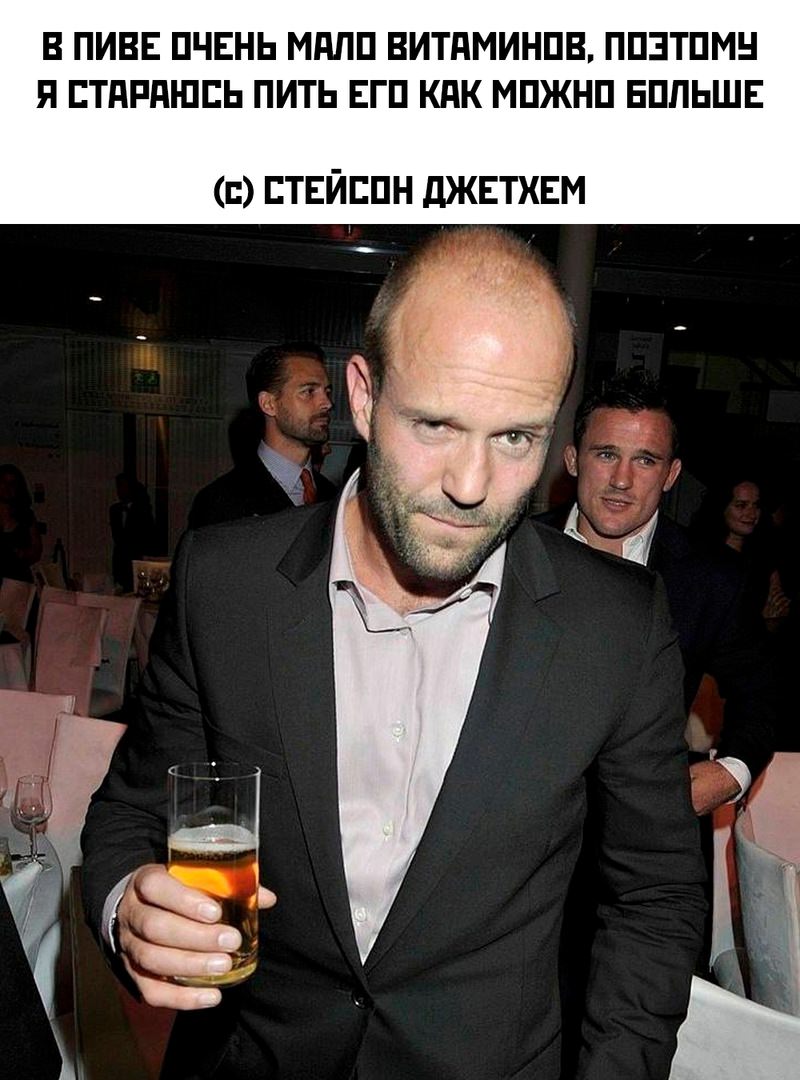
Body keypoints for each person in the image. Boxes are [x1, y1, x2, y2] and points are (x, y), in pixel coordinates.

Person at [82, 229, 705, 1080]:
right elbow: (132, 808)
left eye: (516, 438)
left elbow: (655, 897)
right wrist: (128, 907)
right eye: (436, 424)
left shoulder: (617, 625)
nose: (470, 485)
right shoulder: (225, 584)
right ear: (365, 396)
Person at [551, 369, 776, 815]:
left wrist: (731, 771)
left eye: (646, 460)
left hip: (641, 825)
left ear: (671, 474)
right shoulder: (516, 552)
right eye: (606, 454)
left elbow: (763, 690)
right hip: (514, 826)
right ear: (573, 459)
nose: (621, 479)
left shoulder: (711, 578)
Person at [187, 343, 337, 528]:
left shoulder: (334, 498)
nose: (327, 403)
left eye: (327, 392)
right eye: (308, 392)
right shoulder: (220, 502)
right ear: (268, 404)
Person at [110, 473, 158, 592]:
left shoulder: (142, 510)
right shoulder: (114, 510)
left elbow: (148, 537)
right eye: (119, 486)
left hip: (137, 562)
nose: (121, 490)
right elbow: (117, 538)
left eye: (124, 486)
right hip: (120, 562)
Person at [0, 463, 42, 585]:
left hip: (18, 580)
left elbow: (36, 549)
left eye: (12, 483)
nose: (7, 487)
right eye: (3, 482)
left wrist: (22, 554)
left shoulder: (26, 516)